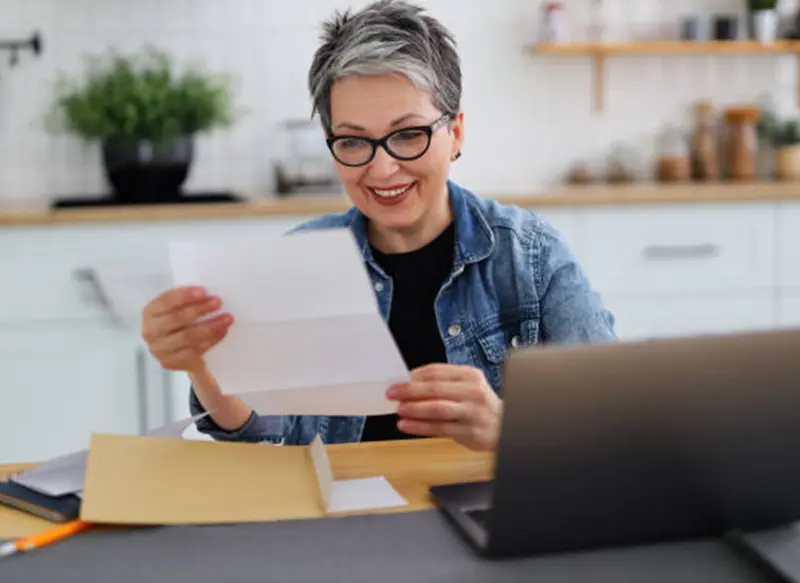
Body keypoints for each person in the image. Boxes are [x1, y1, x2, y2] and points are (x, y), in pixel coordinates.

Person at [140, 0, 616, 452]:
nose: (383, 169)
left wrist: (508, 428)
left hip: (486, 520)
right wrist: (201, 367)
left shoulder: (530, 257)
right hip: (343, 523)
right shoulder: (301, 261)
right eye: (353, 142)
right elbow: (258, 430)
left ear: (456, 133)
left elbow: (615, 423)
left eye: (408, 135)